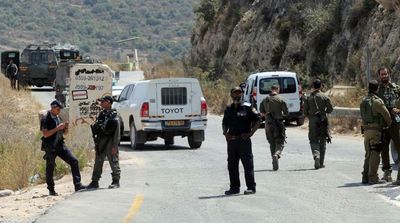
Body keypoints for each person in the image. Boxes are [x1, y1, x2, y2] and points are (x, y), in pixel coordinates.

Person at [40, 100, 85, 196]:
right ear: (52, 107)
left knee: (74, 161)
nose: (59, 111)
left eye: (60, 109)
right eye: (57, 109)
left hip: (60, 145)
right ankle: (51, 190)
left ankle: (78, 185)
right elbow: (45, 134)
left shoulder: (58, 117)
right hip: (50, 147)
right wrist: (57, 128)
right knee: (50, 168)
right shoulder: (45, 119)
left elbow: (64, 133)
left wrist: (66, 128)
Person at [222, 87, 260, 195]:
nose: (237, 95)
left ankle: (251, 187)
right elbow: (224, 122)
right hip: (232, 142)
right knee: (232, 165)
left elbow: (258, 119)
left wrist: (251, 133)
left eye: (239, 93)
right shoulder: (228, 109)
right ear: (231, 95)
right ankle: (234, 187)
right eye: (235, 93)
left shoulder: (247, 107)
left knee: (248, 165)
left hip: (244, 141)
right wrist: (225, 133)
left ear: (242, 95)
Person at [360, 80, 392, 184]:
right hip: (376, 131)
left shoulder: (363, 101)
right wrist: (387, 124)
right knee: (375, 154)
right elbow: (387, 116)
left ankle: (365, 176)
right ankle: (373, 178)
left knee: (368, 154)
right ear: (377, 89)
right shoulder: (377, 101)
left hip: (366, 131)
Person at [87, 96, 121, 189]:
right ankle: (95, 181)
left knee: (113, 161)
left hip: (110, 142)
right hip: (100, 142)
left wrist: (115, 145)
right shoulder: (102, 114)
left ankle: (116, 181)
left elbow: (117, 132)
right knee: (98, 162)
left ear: (109, 102)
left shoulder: (114, 115)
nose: (101, 103)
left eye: (103, 102)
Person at [376, 67, 400, 183]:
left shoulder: (396, 88)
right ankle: (387, 173)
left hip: (395, 123)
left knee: (398, 147)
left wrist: (398, 110)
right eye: (382, 74)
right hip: (383, 124)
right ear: (379, 76)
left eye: (385, 74)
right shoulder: (377, 90)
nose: (384, 76)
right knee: (384, 149)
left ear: (389, 74)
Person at [304, 79, 333, 169]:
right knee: (323, 141)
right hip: (323, 120)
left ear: (313, 86)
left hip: (313, 121)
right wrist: (324, 112)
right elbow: (330, 109)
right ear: (320, 86)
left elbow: (305, 112)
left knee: (313, 140)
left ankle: (316, 155)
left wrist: (310, 115)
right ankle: (321, 163)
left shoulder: (309, 97)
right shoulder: (325, 97)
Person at [259, 84, 288, 171]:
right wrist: (280, 115)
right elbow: (286, 112)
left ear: (271, 89)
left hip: (268, 124)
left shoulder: (265, 99)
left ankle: (274, 161)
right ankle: (277, 154)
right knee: (280, 141)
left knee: (272, 143)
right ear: (277, 89)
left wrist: (267, 115)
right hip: (278, 123)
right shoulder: (280, 99)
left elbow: (261, 113)